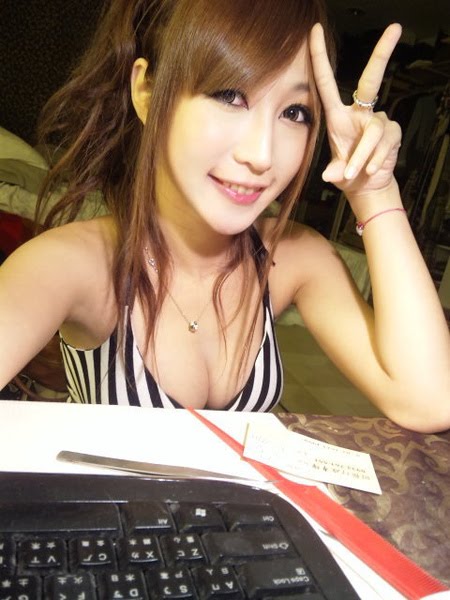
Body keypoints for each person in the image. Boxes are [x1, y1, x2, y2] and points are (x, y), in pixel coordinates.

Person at [0, 0, 448, 431]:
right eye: (229, 95)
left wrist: (374, 190)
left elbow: (431, 401)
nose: (262, 154)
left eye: (294, 112)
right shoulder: (74, 264)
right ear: (147, 93)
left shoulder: (293, 258)